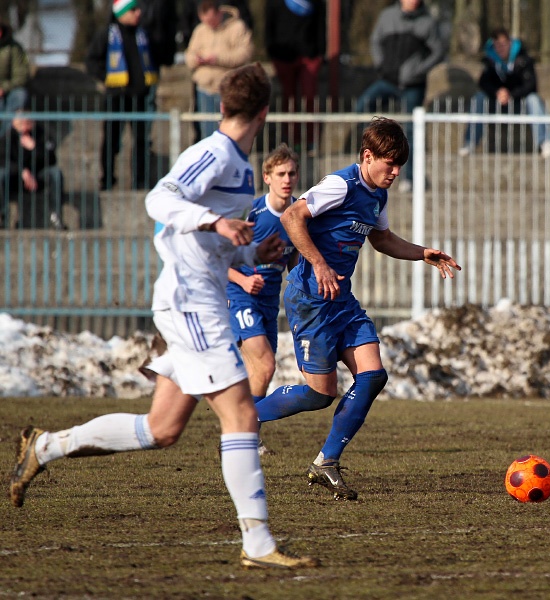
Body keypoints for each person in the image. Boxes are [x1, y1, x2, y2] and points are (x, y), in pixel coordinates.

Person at [9, 63, 320, 570]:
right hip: (192, 305)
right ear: (264, 112)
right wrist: (216, 219)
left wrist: (250, 256)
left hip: (201, 299)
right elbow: (160, 199)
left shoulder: (240, 165)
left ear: (222, 106)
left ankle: (44, 448)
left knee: (162, 428)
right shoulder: (214, 153)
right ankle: (259, 545)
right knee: (241, 414)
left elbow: (208, 242)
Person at [252, 116, 461, 500]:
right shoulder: (339, 185)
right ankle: (246, 419)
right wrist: (318, 263)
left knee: (374, 374)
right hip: (310, 299)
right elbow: (292, 216)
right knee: (320, 394)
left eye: (400, 166)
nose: (396, 172)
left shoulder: (376, 194)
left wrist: (422, 253)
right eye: (390, 164)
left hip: (341, 300)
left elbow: (381, 239)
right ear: (367, 156)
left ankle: (326, 462)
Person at [227, 143, 300, 447]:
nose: (287, 179)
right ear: (267, 177)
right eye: (281, 173)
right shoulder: (252, 213)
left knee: (260, 371)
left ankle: (236, 434)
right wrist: (243, 283)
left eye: (292, 173)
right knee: (266, 365)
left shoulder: (299, 214)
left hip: (269, 303)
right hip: (241, 296)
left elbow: (295, 260)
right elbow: (219, 259)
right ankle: (245, 437)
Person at [355, 0, 446, 193]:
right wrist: (381, 65)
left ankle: (410, 178)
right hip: (388, 80)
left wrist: (418, 72)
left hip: (413, 85)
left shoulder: (428, 22)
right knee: (362, 107)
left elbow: (438, 51)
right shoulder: (387, 16)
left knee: (412, 129)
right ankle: (367, 168)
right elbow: (375, 41)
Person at [86, 0, 158, 191]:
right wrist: (107, 78)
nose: (138, 13)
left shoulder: (142, 34)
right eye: (133, 10)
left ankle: (140, 180)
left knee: (141, 141)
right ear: (122, 13)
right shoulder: (107, 34)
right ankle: (108, 179)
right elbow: (92, 61)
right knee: (111, 140)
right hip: (116, 97)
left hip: (139, 97)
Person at [459, 27, 550, 159]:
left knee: (534, 99)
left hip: (519, 103)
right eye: (497, 45)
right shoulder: (490, 61)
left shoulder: (524, 59)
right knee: (479, 98)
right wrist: (497, 92)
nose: (500, 48)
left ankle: (545, 141)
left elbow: (530, 84)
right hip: (496, 102)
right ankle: (470, 142)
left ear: (510, 43)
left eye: (503, 44)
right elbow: (483, 82)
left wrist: (511, 94)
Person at [185, 0, 254, 139]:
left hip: (229, 88)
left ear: (219, 13)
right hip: (205, 89)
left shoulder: (237, 27)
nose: (209, 24)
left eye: (212, 20)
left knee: (231, 135)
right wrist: (196, 60)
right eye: (205, 20)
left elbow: (245, 53)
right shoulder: (200, 30)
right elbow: (189, 55)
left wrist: (218, 59)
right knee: (208, 135)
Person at [265, 0, 326, 154]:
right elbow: (269, 26)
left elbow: (320, 26)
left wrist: (319, 54)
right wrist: (273, 52)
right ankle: (294, 141)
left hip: (309, 55)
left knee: (310, 97)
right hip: (283, 56)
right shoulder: (275, 3)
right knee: (289, 99)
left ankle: (312, 141)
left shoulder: (317, 3)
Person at [0, 113, 65, 229]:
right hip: (16, 177)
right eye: (21, 124)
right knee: (2, 175)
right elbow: (3, 160)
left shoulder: (42, 135)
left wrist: (35, 148)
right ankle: (2, 215)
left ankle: (56, 216)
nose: (24, 128)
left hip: (38, 174)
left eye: (27, 123)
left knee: (55, 173)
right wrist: (22, 171)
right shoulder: (8, 137)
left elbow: (52, 158)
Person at [0, 22, 29, 134]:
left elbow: (21, 75)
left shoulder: (14, 48)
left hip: (11, 89)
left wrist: (3, 88)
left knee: (19, 95)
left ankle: (5, 137)